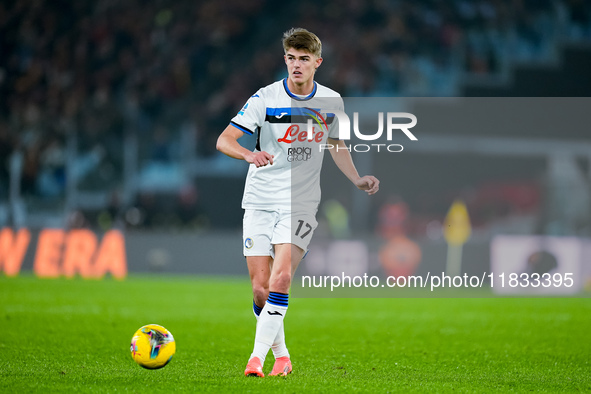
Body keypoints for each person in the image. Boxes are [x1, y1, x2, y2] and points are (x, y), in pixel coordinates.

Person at [216, 27, 379, 377]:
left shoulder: (332, 102)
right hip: (259, 198)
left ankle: (255, 360)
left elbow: (337, 144)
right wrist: (248, 154)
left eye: (304, 59)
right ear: (285, 59)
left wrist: (356, 179)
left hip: (300, 202)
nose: (296, 65)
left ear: (317, 62)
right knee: (261, 289)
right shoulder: (265, 98)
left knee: (282, 276)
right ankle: (283, 357)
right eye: (291, 58)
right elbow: (224, 139)